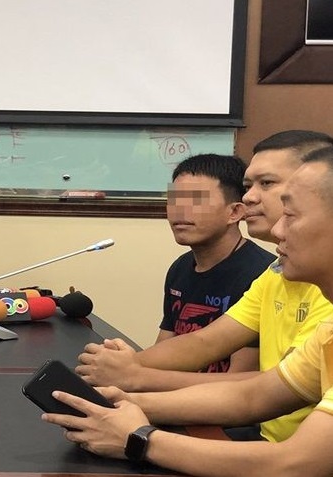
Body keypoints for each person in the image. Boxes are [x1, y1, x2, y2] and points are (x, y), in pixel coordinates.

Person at [41, 146, 333, 477]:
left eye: (290, 215)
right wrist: (120, 401)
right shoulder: (323, 325)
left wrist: (138, 438)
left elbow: (296, 463)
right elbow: (251, 396)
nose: (278, 229)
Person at [158, 154, 274, 374]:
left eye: (196, 201)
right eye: (174, 200)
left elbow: (241, 379)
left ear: (235, 212)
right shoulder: (180, 267)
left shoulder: (261, 274)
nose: (180, 211)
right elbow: (162, 352)